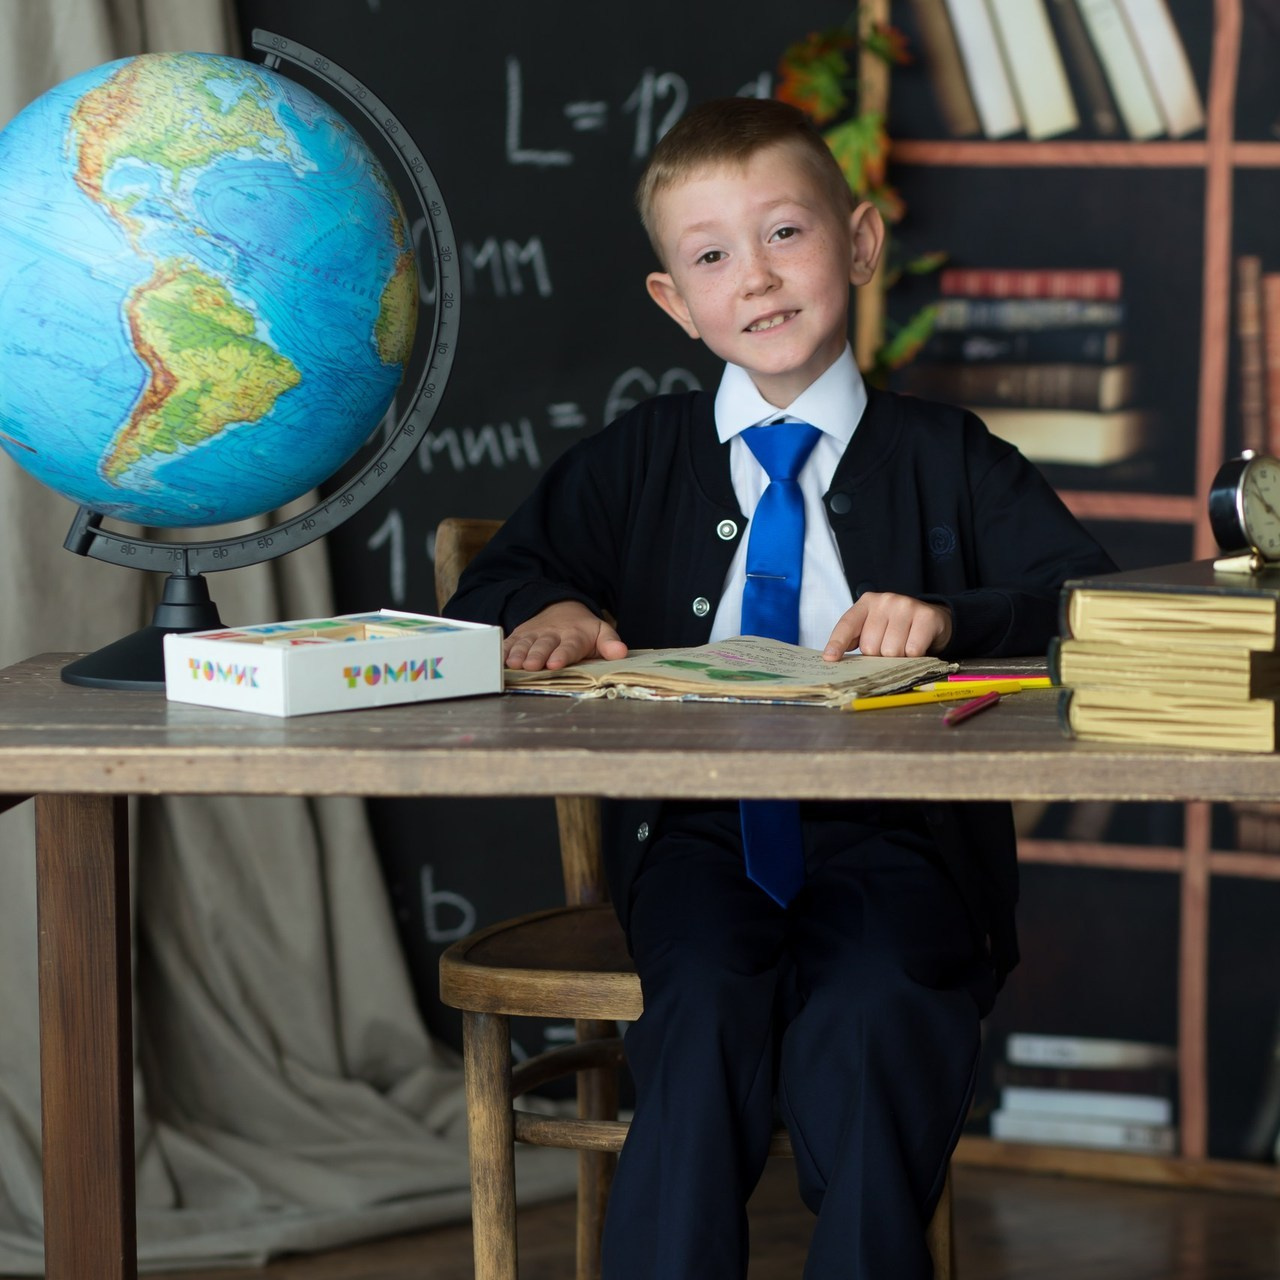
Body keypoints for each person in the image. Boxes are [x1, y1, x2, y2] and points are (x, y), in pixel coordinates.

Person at [444, 96, 1115, 1279]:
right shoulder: (633, 459)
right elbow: (501, 580)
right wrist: (538, 610)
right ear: (676, 304)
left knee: (876, 1007)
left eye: (784, 235)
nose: (753, 278)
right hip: (695, 843)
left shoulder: (949, 457)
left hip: (901, 843)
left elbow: (1092, 605)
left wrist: (952, 619)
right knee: (697, 1004)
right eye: (710, 256)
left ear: (858, 244)